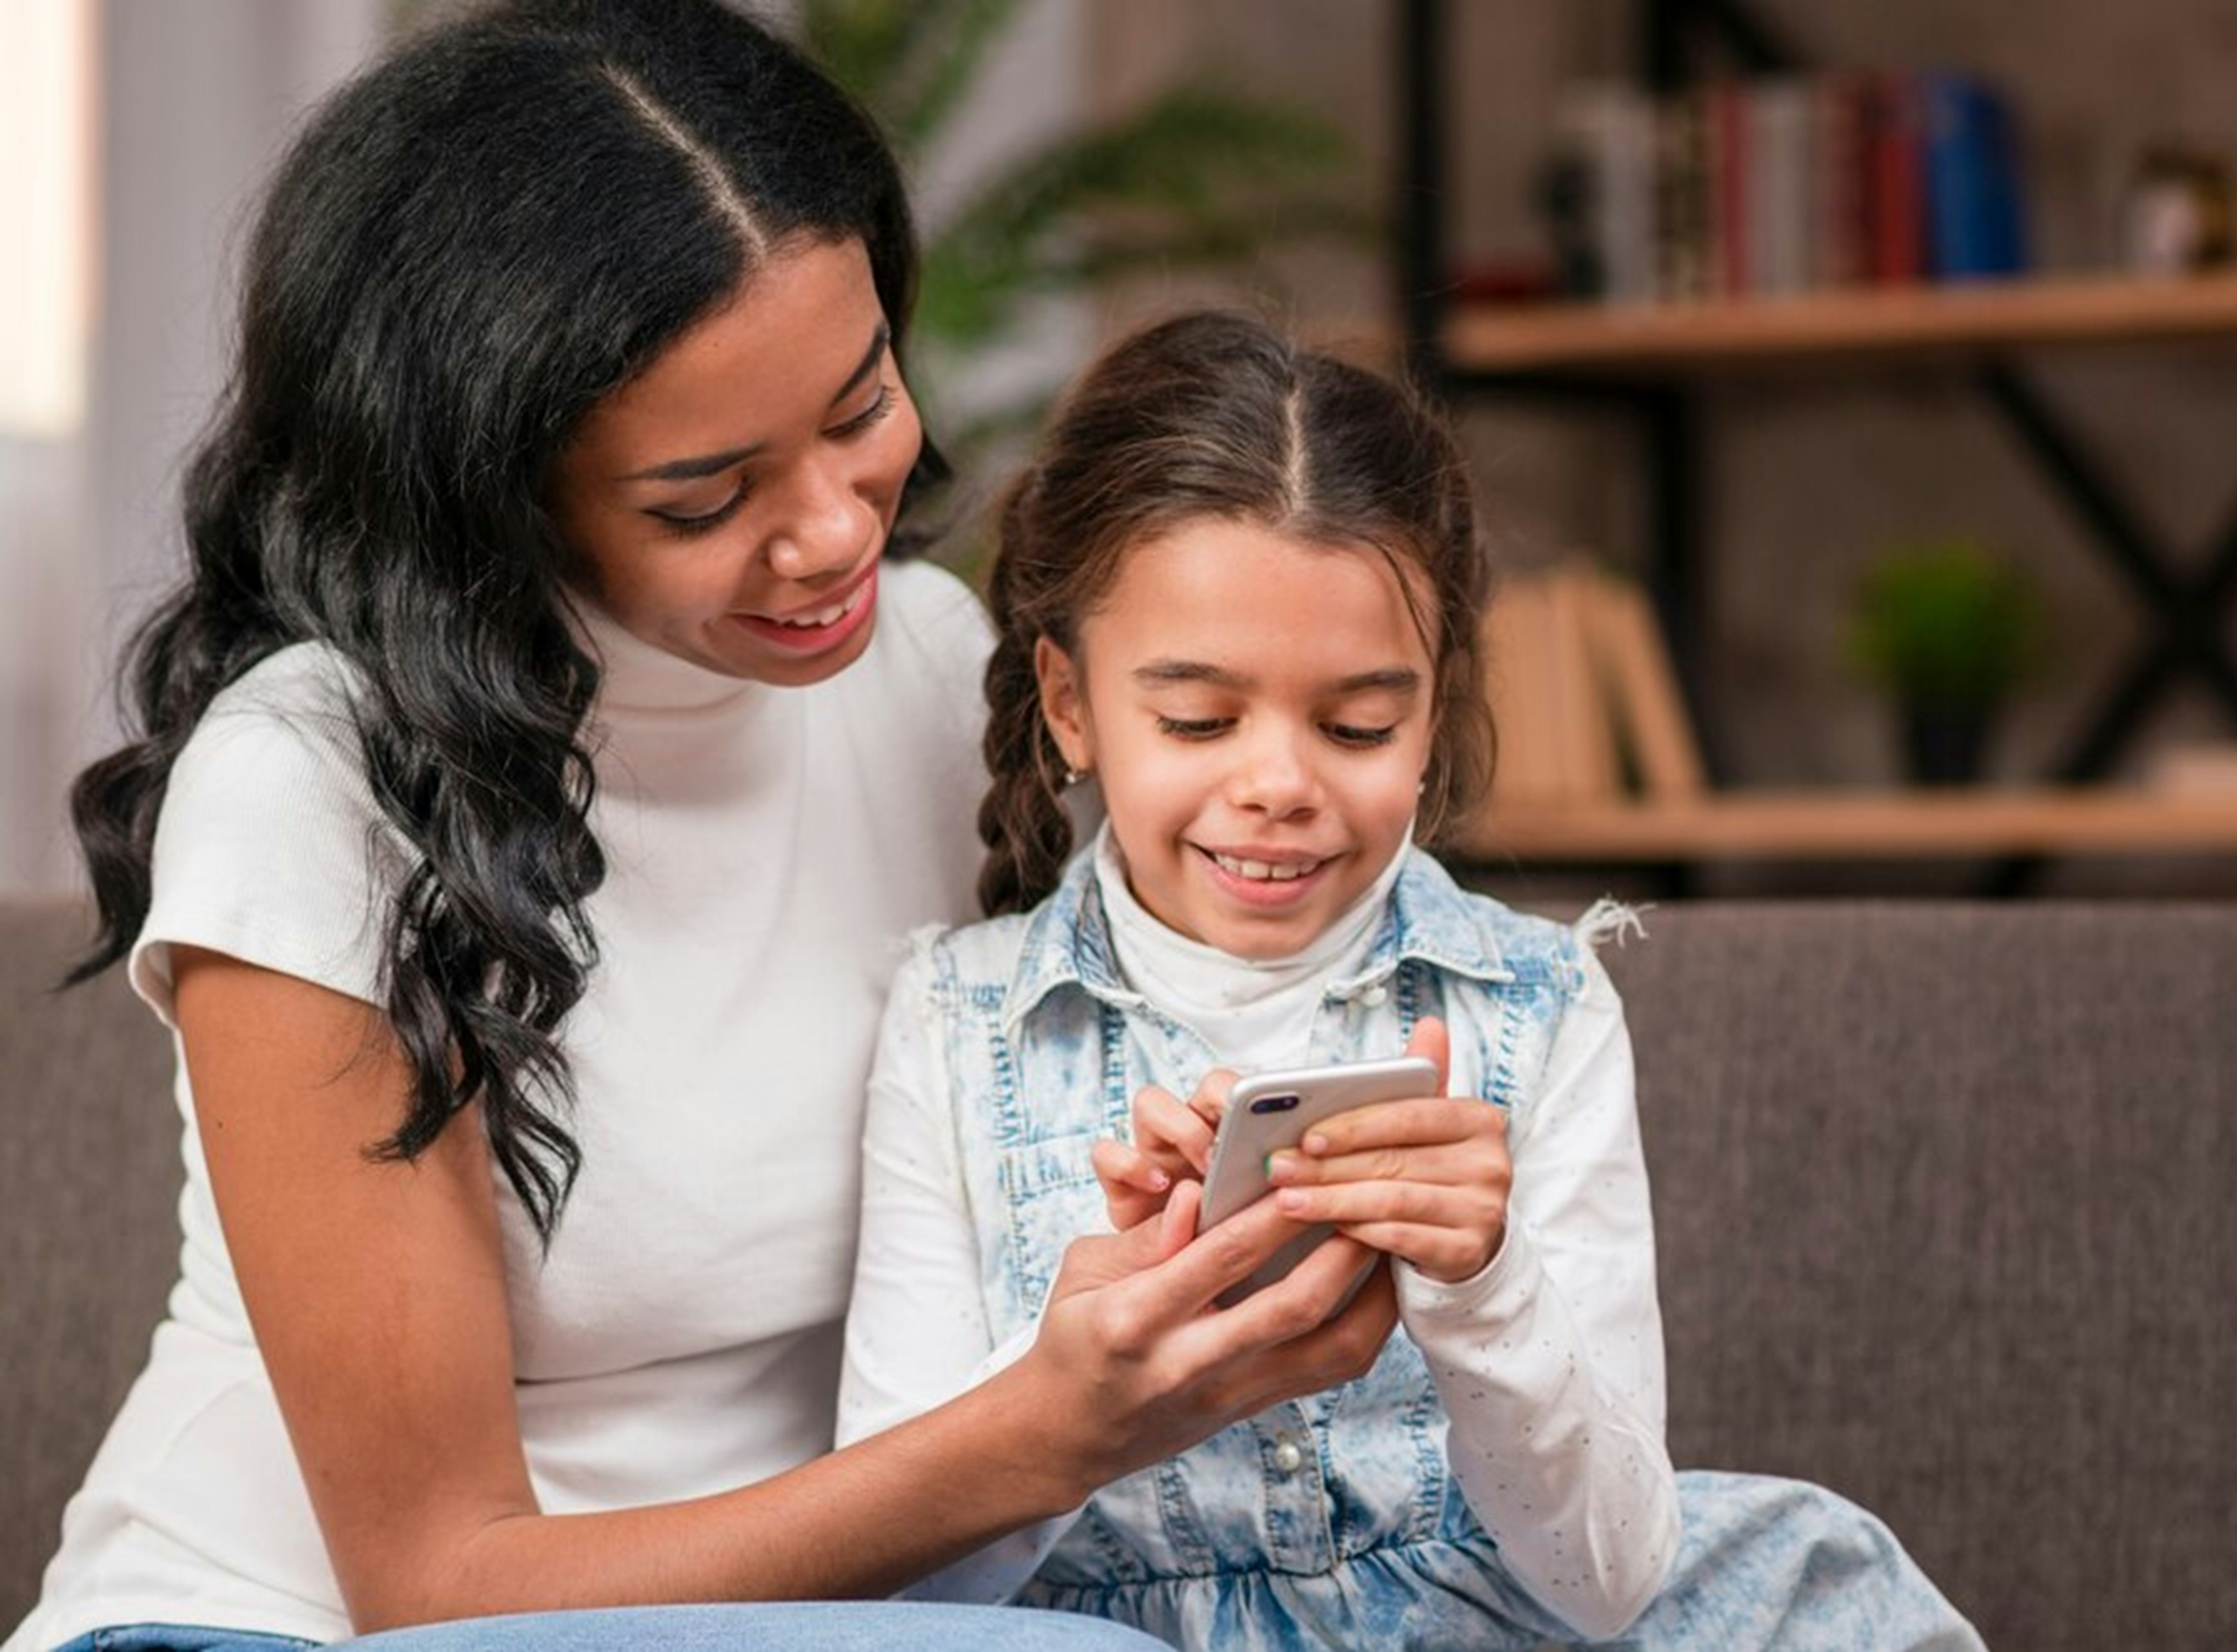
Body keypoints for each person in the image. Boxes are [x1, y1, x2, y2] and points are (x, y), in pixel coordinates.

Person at [8, 8, 1398, 1651]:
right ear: (493, 490)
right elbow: (434, 1581)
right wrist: (1036, 1435)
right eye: (702, 496)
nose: (832, 534)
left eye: (861, 400)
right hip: (289, 1633)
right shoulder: (315, 779)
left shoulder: (936, 671)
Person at [834, 310, 1985, 1649]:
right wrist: (1075, 1375)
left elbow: (1609, 1575)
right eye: (1199, 719)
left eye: (1359, 723)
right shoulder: (957, 1025)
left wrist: (1483, 1282)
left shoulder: (1534, 1004)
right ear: (1073, 704)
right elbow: (893, 1598)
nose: (1278, 784)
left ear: (1431, 717)